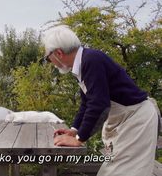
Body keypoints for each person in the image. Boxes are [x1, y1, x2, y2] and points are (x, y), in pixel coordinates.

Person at [41, 25, 160, 176]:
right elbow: (87, 103)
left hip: (137, 121)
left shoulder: (91, 60)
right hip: (126, 121)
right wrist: (74, 130)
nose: (50, 62)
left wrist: (79, 139)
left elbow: (99, 104)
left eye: (48, 57)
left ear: (58, 53)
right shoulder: (82, 64)